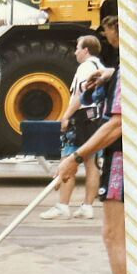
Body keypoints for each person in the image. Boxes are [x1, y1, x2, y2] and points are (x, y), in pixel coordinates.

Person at [56, 54, 126, 274]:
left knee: (114, 236)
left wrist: (76, 156)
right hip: (133, 158)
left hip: (123, 158)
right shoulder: (128, 65)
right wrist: (110, 73)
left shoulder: (131, 65)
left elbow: (117, 124)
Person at [40, 35, 104, 220]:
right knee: (91, 163)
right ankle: (87, 206)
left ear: (86, 50)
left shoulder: (85, 67)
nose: (75, 51)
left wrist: (65, 116)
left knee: (68, 159)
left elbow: (79, 94)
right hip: (95, 117)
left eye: (77, 47)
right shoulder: (100, 66)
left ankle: (62, 205)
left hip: (81, 117)